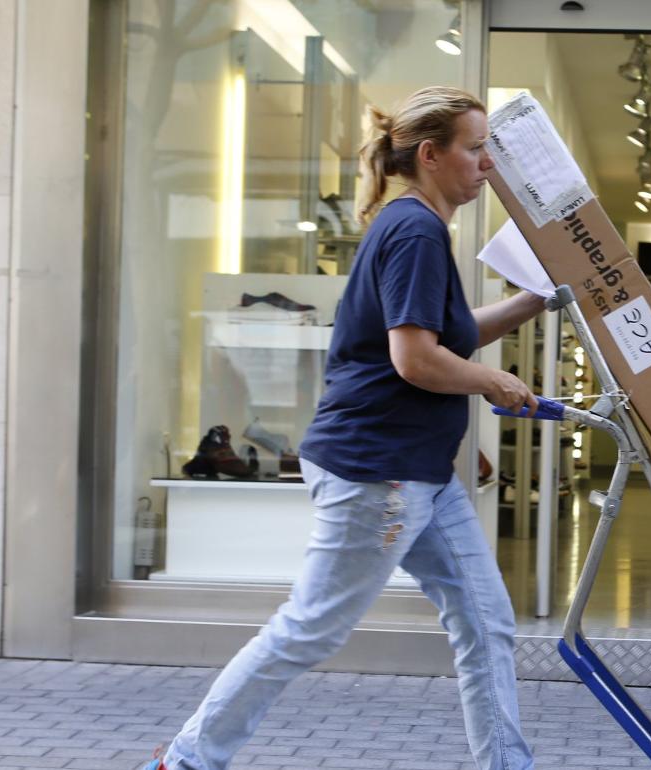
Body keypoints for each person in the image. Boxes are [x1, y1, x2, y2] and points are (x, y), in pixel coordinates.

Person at [139, 86, 545, 770]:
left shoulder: (418, 226)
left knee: (485, 621)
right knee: (311, 627)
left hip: (418, 470)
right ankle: (184, 760)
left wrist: (532, 301)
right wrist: (493, 381)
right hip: (379, 472)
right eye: (475, 149)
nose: (487, 164)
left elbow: (447, 334)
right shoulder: (415, 232)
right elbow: (415, 359)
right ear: (430, 154)